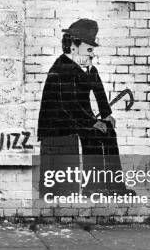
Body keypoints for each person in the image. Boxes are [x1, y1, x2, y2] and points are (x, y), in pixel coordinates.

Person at [37, 19, 135, 196]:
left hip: (78, 119)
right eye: (89, 49)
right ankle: (93, 188)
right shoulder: (62, 68)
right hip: (59, 125)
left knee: (109, 131)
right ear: (73, 47)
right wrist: (92, 122)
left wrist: (106, 114)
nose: (92, 54)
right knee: (94, 133)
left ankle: (116, 188)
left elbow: (98, 90)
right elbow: (69, 103)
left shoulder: (86, 68)